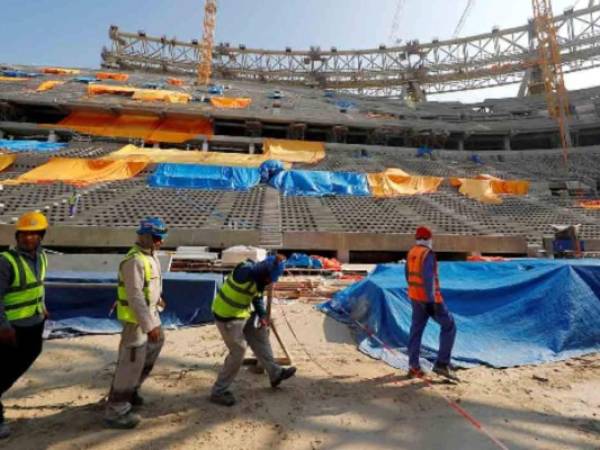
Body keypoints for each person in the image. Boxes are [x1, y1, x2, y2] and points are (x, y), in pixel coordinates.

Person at [104, 217, 167, 429]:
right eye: (157, 238)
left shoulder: (151, 256)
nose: (160, 242)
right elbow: (135, 297)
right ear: (146, 237)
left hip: (150, 313)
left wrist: (158, 299)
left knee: (151, 351)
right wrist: (149, 326)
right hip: (136, 321)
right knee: (130, 363)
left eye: (161, 238)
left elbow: (151, 285)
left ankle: (131, 390)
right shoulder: (134, 261)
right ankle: (116, 409)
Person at [210, 255, 296, 407]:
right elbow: (250, 273)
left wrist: (262, 315)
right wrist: (265, 271)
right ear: (264, 273)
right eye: (270, 278)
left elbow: (256, 298)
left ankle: (275, 373)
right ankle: (218, 391)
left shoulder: (260, 279)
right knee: (238, 351)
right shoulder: (245, 271)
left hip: (241, 312)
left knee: (260, 334)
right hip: (226, 316)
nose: (270, 282)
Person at [0, 212, 49, 439]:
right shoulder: (5, 262)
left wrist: (43, 305)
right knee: (4, 369)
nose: (28, 238)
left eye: (34, 234)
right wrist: (3, 326)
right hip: (12, 328)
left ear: (41, 236)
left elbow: (37, 285)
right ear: (18, 235)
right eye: (25, 234)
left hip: (34, 322)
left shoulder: (41, 258)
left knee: (29, 355)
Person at [405, 226, 457, 380]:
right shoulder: (427, 254)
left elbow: (408, 275)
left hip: (415, 297)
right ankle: (442, 364)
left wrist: (417, 294)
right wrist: (430, 301)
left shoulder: (412, 252)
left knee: (416, 331)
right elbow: (428, 279)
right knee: (449, 326)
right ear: (429, 239)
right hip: (430, 300)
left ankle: (413, 366)